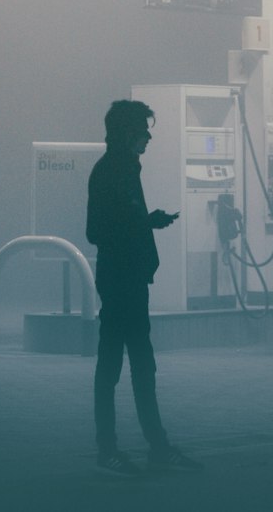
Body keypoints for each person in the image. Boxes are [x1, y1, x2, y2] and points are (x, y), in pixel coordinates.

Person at [86, 99, 203, 476]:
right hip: (122, 279)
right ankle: (116, 449)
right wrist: (143, 224)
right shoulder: (110, 172)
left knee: (136, 365)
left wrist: (144, 222)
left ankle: (146, 445)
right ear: (126, 133)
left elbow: (111, 226)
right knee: (118, 366)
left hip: (129, 279)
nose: (148, 136)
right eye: (142, 129)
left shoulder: (120, 169)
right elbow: (96, 231)